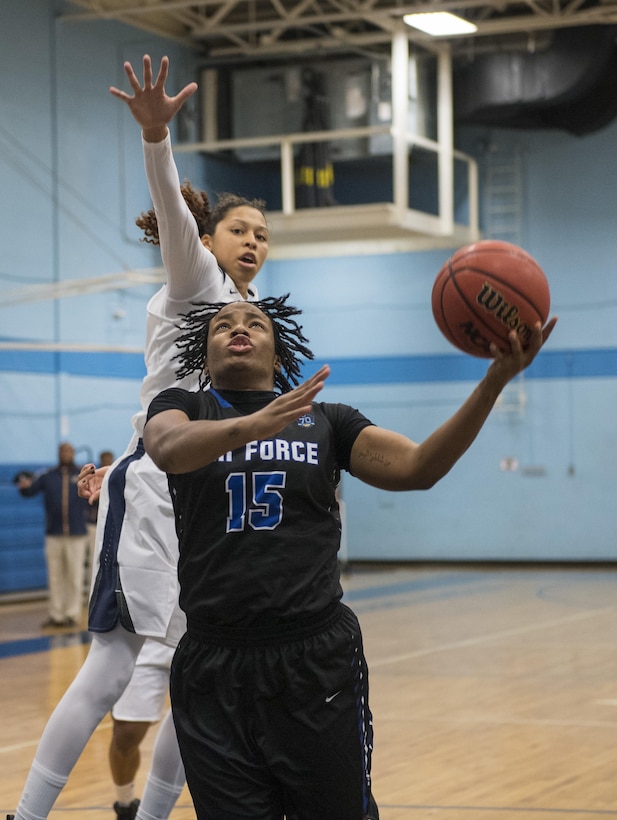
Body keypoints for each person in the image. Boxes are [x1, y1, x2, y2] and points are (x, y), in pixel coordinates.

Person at [143, 296, 557, 820]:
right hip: (212, 663)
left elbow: (417, 466)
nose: (238, 328)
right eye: (223, 325)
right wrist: (253, 425)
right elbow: (167, 448)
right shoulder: (182, 406)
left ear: (277, 351)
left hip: (312, 659)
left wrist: (493, 382)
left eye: (254, 323)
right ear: (206, 352)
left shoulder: (326, 422)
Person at [8, 54, 270, 820]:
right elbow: (173, 207)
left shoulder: (251, 320)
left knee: (204, 668)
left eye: (263, 233)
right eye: (238, 230)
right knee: (111, 665)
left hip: (204, 496)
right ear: (207, 238)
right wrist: (157, 137)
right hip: (157, 486)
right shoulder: (197, 284)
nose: (252, 242)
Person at [17, 442, 89, 629]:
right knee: (55, 577)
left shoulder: (82, 475)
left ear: (73, 453)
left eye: (68, 450)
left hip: (77, 533)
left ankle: (72, 615)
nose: (65, 453)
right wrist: (23, 486)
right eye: (62, 451)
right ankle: (56, 615)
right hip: (53, 534)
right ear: (58, 454)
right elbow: (29, 490)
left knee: (75, 576)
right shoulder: (48, 475)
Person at [85, 450, 114, 588]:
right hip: (94, 524)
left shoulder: (118, 475)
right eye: (105, 459)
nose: (107, 461)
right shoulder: (94, 478)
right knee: (94, 559)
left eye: (110, 458)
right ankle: (94, 589)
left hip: (113, 525)